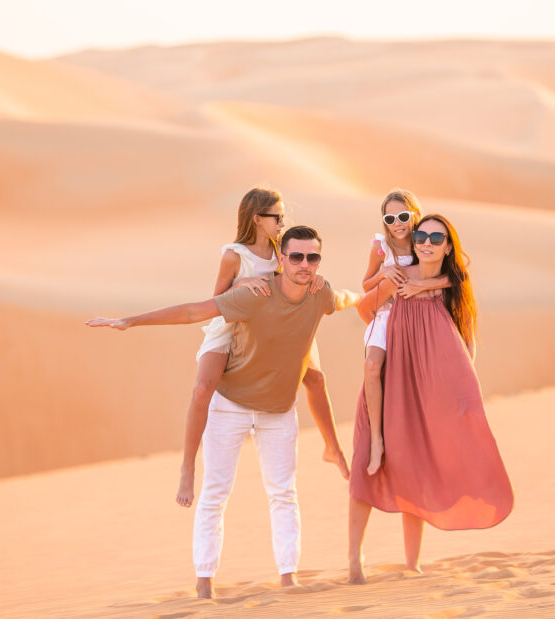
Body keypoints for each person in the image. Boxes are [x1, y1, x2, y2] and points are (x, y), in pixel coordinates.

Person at [87, 226, 360, 599]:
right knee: (215, 493)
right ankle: (204, 581)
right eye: (296, 256)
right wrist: (130, 320)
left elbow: (346, 298)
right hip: (230, 406)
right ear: (281, 259)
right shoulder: (255, 295)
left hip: (278, 412)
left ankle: (288, 576)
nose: (305, 264)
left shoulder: (319, 293)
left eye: (313, 257)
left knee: (283, 493)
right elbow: (191, 312)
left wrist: (379, 291)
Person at [347, 214, 514, 584]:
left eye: (435, 238)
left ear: (448, 245)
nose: (425, 242)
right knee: (364, 463)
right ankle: (355, 562)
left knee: (414, 465)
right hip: (391, 381)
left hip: (427, 390)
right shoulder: (400, 277)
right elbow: (363, 309)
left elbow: (466, 340)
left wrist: (462, 392)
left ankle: (412, 563)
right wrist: (389, 320)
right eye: (421, 235)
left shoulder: (451, 287)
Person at [176, 187, 330, 508]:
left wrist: (313, 280)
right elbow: (216, 299)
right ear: (258, 219)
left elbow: (295, 277)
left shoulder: (282, 250)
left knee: (315, 376)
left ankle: (331, 447)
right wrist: (241, 284)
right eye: (277, 216)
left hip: (268, 330)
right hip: (231, 327)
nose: (282, 221)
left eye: (283, 215)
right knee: (203, 388)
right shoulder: (234, 254)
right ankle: (188, 467)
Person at [359, 190, 450, 476]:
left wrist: (421, 286)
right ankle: (376, 440)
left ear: (413, 214)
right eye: (390, 218)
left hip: (420, 317)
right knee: (373, 365)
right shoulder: (380, 247)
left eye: (402, 216)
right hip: (387, 315)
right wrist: (385, 274)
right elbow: (366, 285)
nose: (397, 223)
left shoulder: (425, 240)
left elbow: (454, 276)